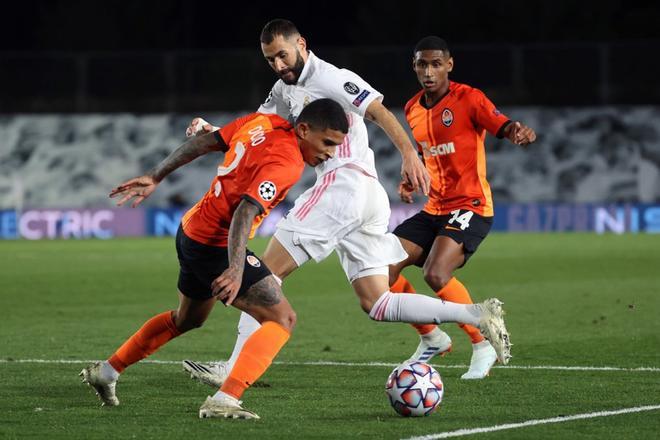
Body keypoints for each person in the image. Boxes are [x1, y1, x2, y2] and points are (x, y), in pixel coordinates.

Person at [182, 19, 511, 389]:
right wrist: (214, 132)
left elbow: (379, 111)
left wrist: (409, 155)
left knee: (264, 276)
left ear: (301, 44)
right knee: (376, 301)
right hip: (364, 196)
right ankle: (475, 315)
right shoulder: (282, 89)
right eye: (270, 59)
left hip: (344, 185)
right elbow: (256, 129)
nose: (278, 64)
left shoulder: (332, 78)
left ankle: (233, 369)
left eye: (283, 55)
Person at [79, 98, 349, 420]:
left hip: (191, 230)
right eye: (328, 143)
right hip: (215, 245)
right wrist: (236, 269)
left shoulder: (260, 123)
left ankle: (107, 371)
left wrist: (156, 175)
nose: (330, 152)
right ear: (304, 129)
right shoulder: (287, 162)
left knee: (188, 319)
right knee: (281, 318)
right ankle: (225, 400)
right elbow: (244, 212)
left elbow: (205, 142)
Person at [389, 36, 537, 379]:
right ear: (414, 67)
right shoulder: (411, 108)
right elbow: (427, 154)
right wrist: (411, 180)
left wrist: (518, 132)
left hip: (471, 205)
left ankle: (482, 344)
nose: (429, 71)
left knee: (435, 273)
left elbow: (503, 124)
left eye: (436, 64)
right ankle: (432, 338)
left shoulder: (469, 98)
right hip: (435, 207)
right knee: (381, 268)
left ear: (449, 65)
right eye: (422, 64)